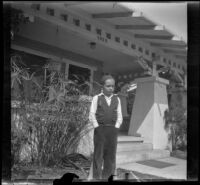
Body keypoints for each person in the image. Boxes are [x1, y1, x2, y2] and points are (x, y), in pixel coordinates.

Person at [89, 75, 123, 180]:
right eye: (108, 86)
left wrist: (116, 127)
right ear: (102, 86)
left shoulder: (117, 99)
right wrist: (97, 127)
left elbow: (120, 115)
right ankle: (96, 177)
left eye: (112, 86)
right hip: (100, 130)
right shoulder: (97, 98)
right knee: (98, 155)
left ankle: (107, 177)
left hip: (112, 131)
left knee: (110, 155)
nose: (111, 88)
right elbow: (91, 114)